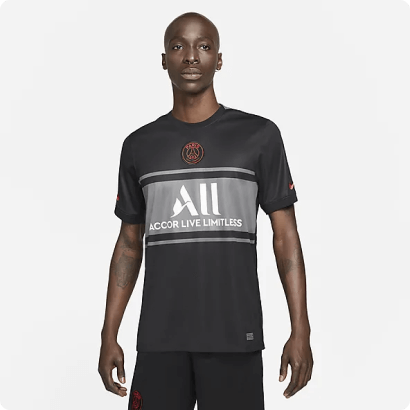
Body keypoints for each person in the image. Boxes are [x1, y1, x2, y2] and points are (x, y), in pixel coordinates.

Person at [98, 11, 313, 410]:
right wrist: (108, 333)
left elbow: (285, 236)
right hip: (160, 340)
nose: (191, 56)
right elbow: (129, 243)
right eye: (178, 46)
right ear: (164, 60)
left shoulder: (259, 136)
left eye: (204, 46)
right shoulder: (139, 145)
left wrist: (301, 329)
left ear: (219, 59)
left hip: (235, 337)